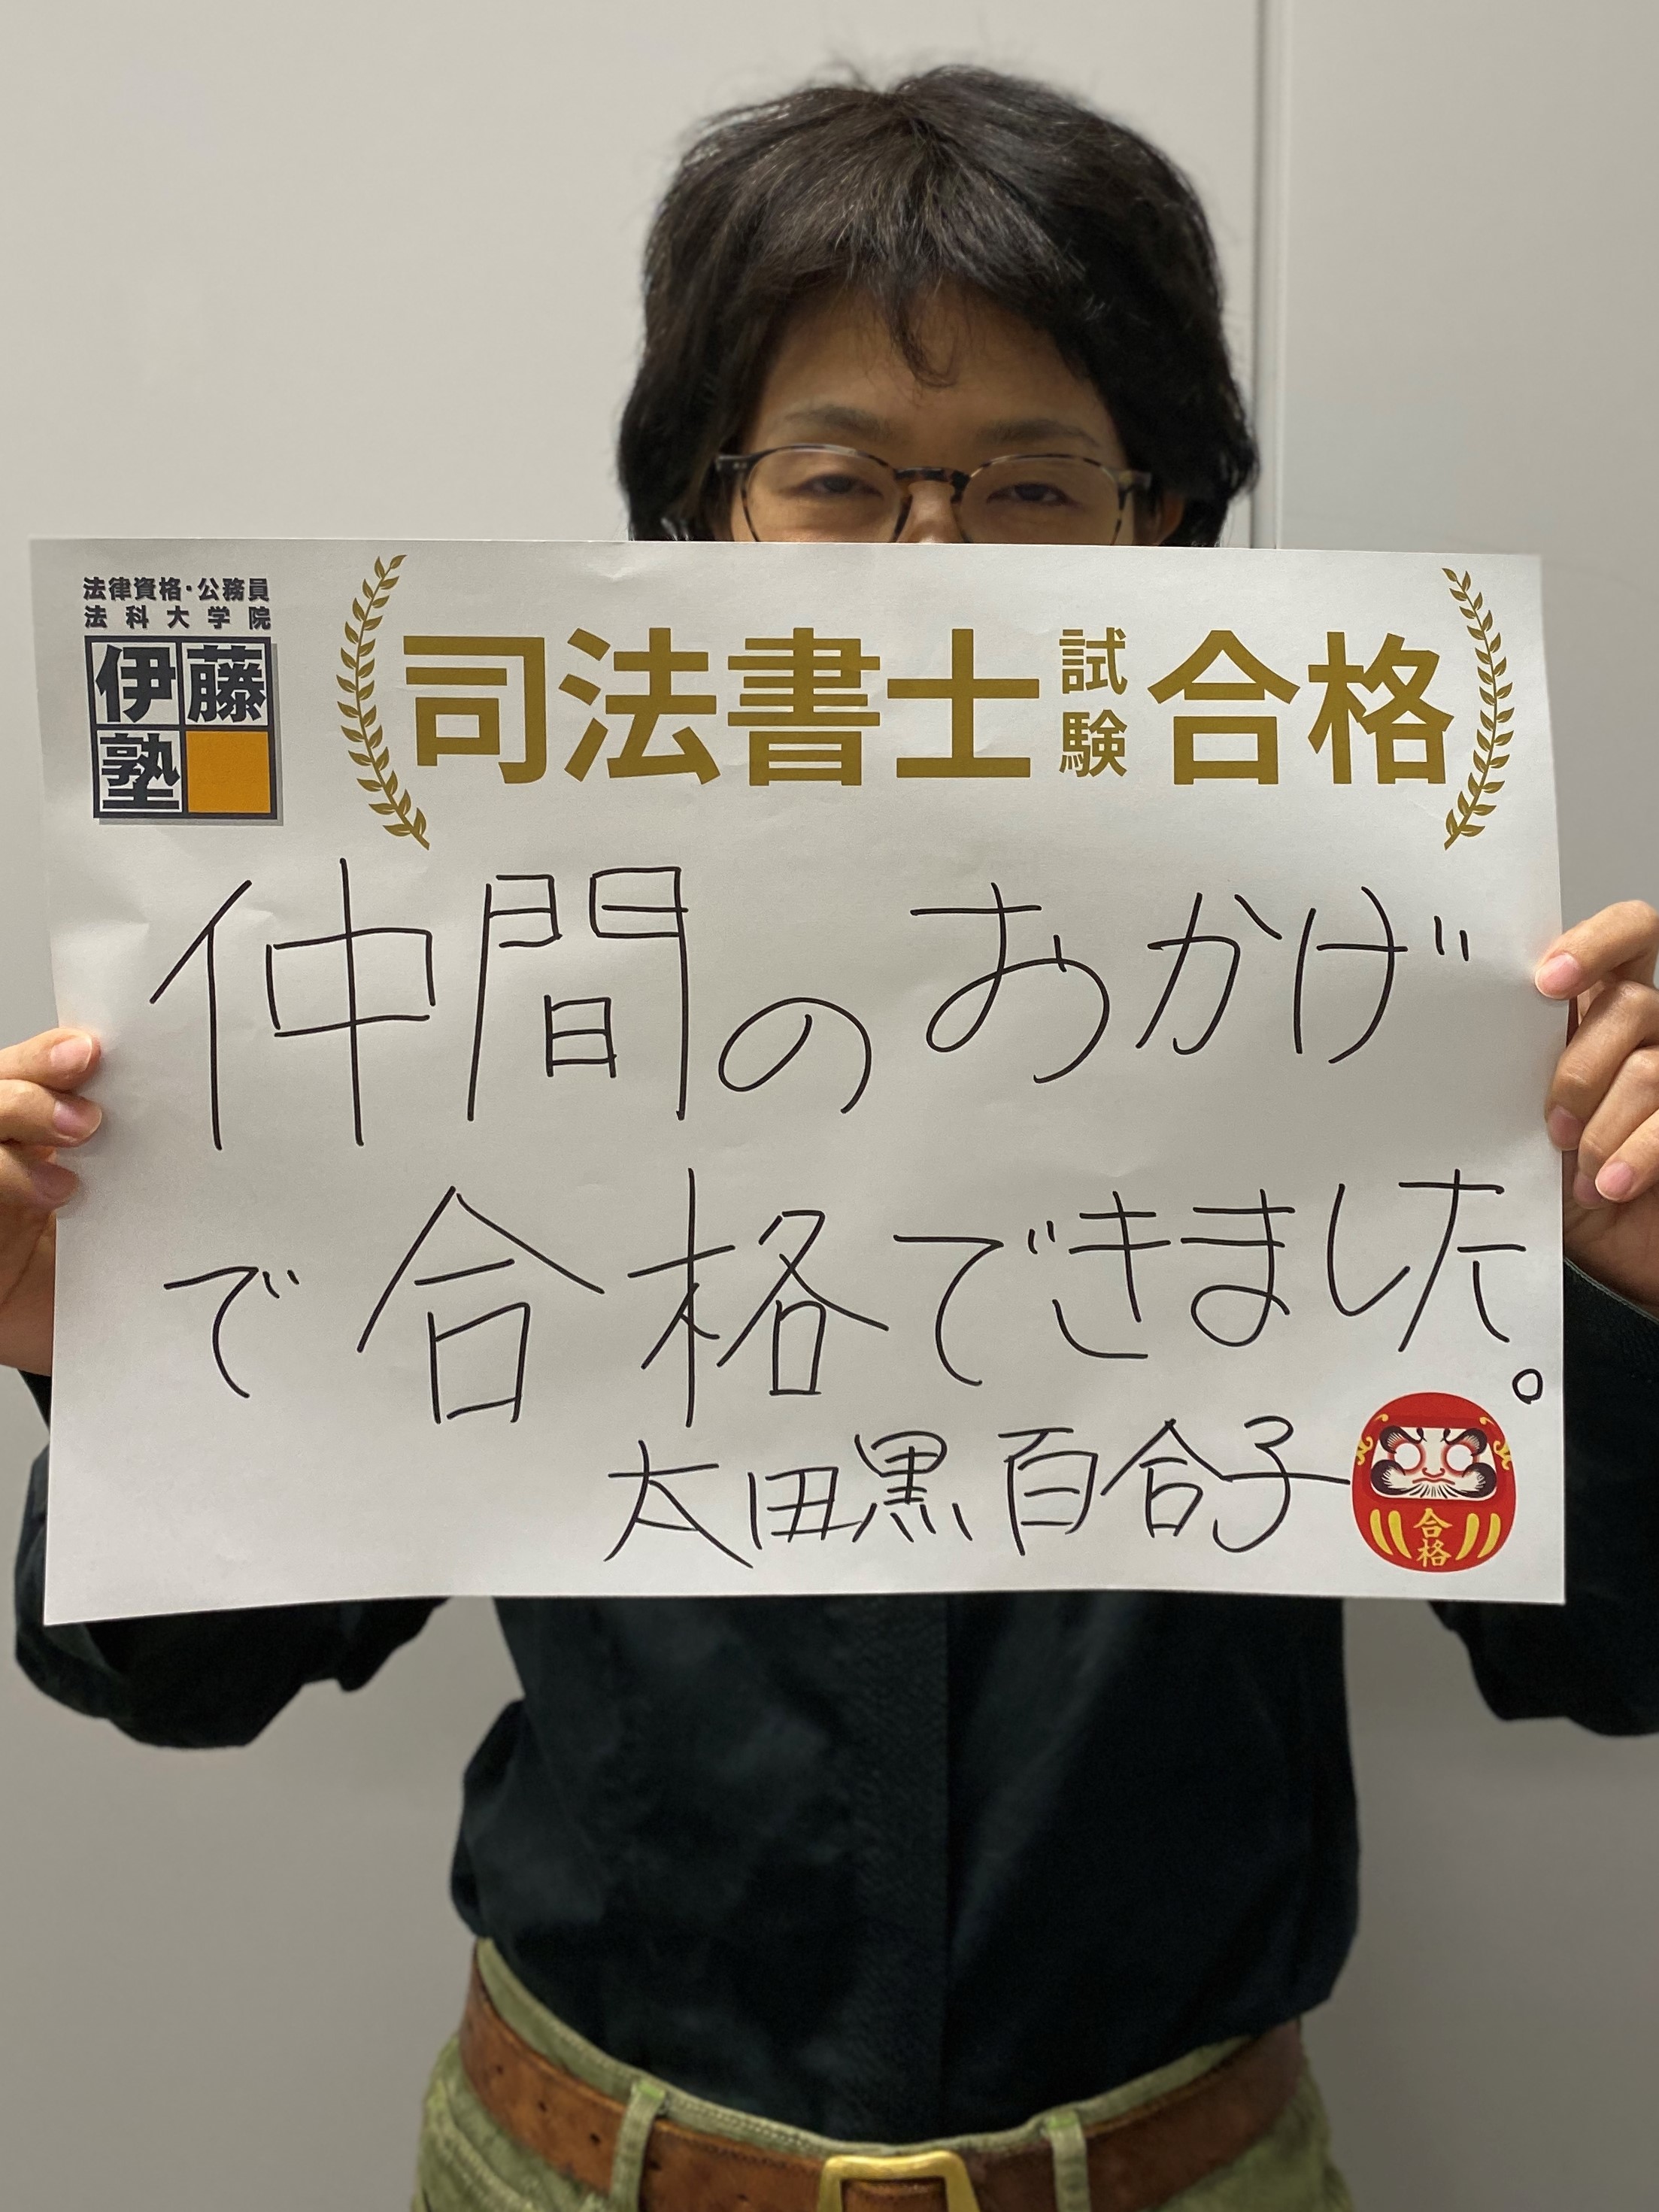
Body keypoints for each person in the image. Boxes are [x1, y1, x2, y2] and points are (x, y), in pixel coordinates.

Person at [8, 67, 1659, 2212]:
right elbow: (176, 1677)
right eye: (842, 480)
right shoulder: (473, 971)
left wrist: (1622, 1296)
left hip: (1184, 2171)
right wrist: (107, 1348)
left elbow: (1608, 1662)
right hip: (582, 2166)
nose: (933, 563)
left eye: (1037, 484)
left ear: (1166, 521)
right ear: (704, 512)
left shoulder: (1365, 980)